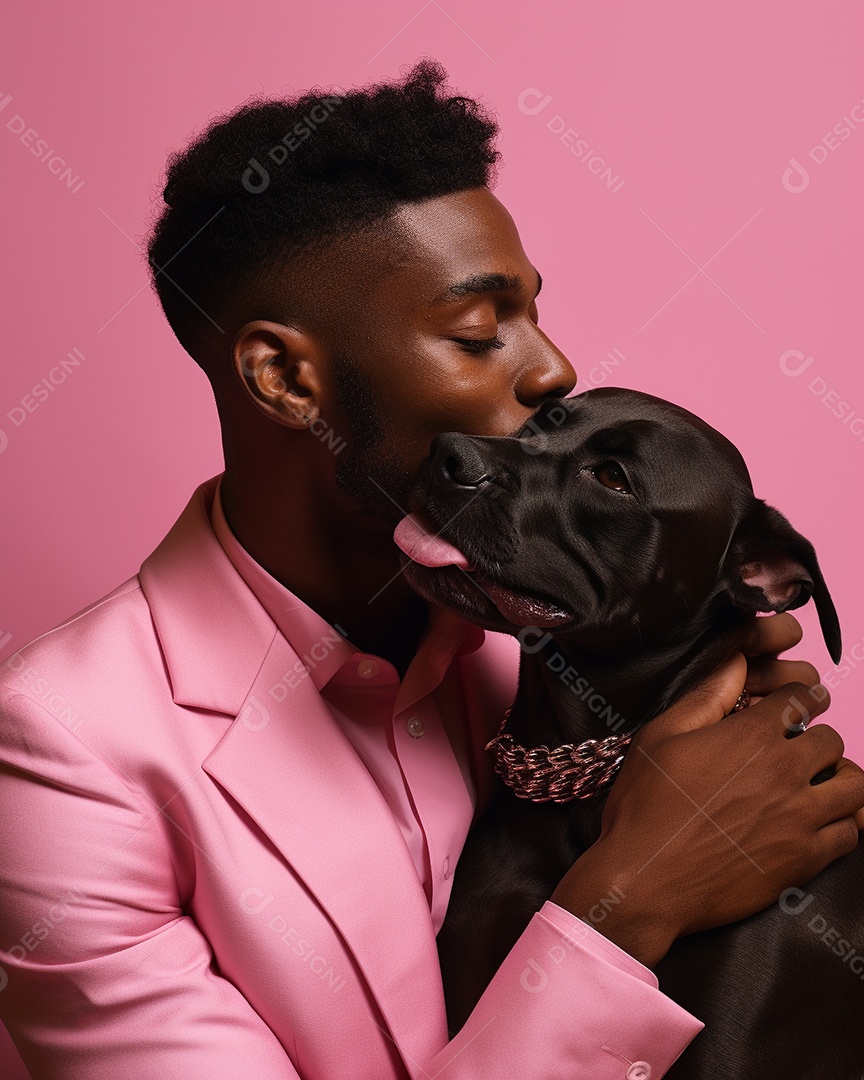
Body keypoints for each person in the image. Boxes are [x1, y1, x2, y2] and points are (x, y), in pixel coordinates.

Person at [1, 60, 861, 1080]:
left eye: (536, 314)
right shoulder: (64, 753)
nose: (552, 371)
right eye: (477, 330)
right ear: (283, 377)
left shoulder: (553, 648)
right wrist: (633, 898)